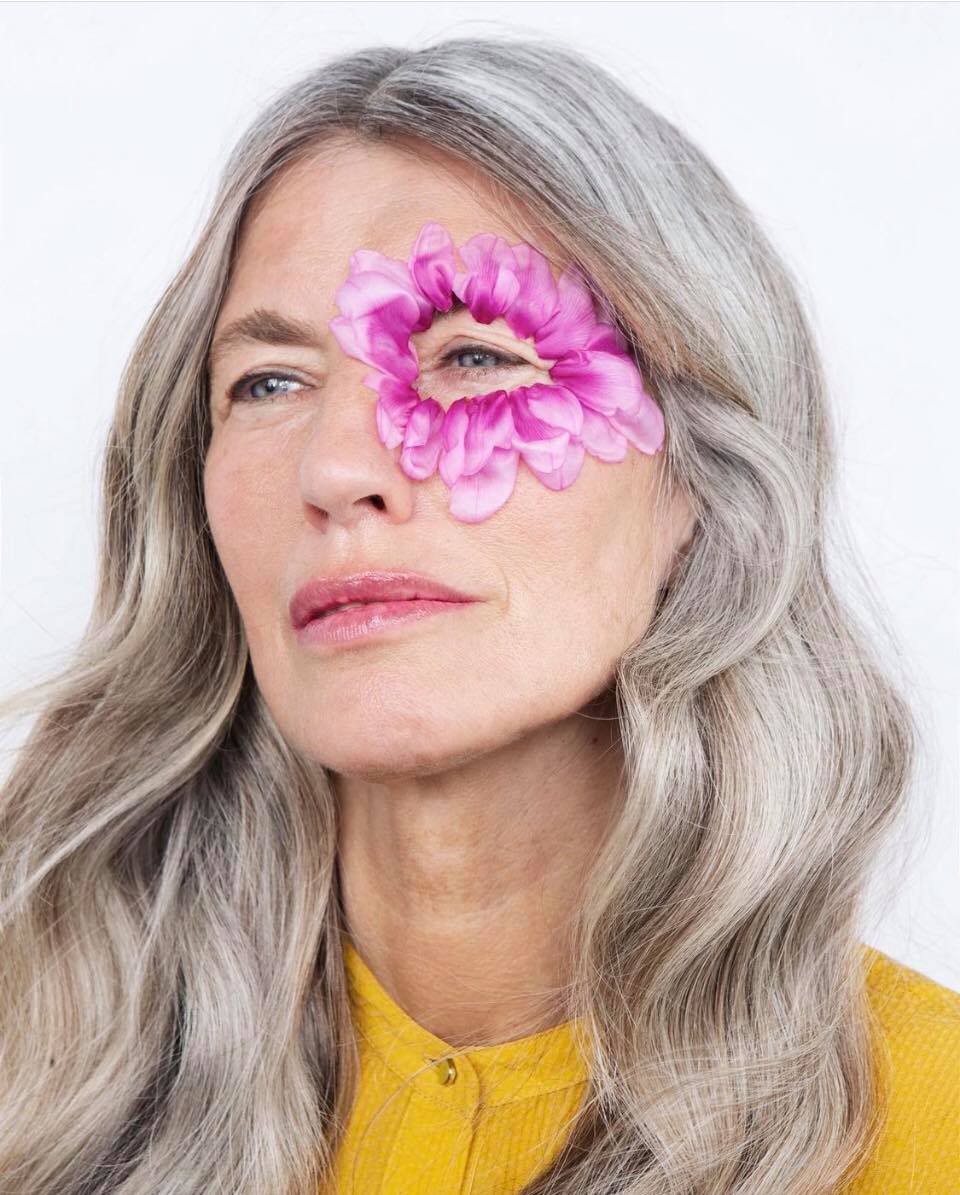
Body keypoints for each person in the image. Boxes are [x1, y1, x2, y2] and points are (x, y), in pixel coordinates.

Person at [0, 35, 956, 1195]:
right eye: (268, 383)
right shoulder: (35, 1078)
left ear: (701, 480)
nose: (337, 467)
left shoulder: (932, 1120)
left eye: (473, 358)